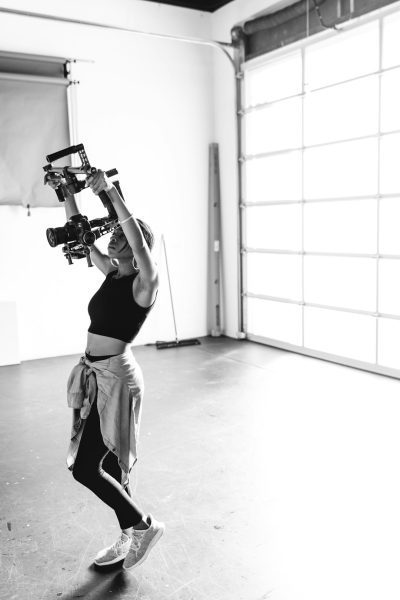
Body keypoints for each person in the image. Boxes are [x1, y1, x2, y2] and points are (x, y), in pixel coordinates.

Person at [47, 169, 164, 570]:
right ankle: (128, 535)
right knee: (112, 467)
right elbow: (80, 233)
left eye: (121, 236)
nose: (111, 237)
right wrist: (67, 192)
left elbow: (134, 236)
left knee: (85, 468)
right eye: (112, 234)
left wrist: (112, 193)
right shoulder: (113, 274)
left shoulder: (144, 283)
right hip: (98, 374)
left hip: (118, 378)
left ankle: (143, 525)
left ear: (138, 249)